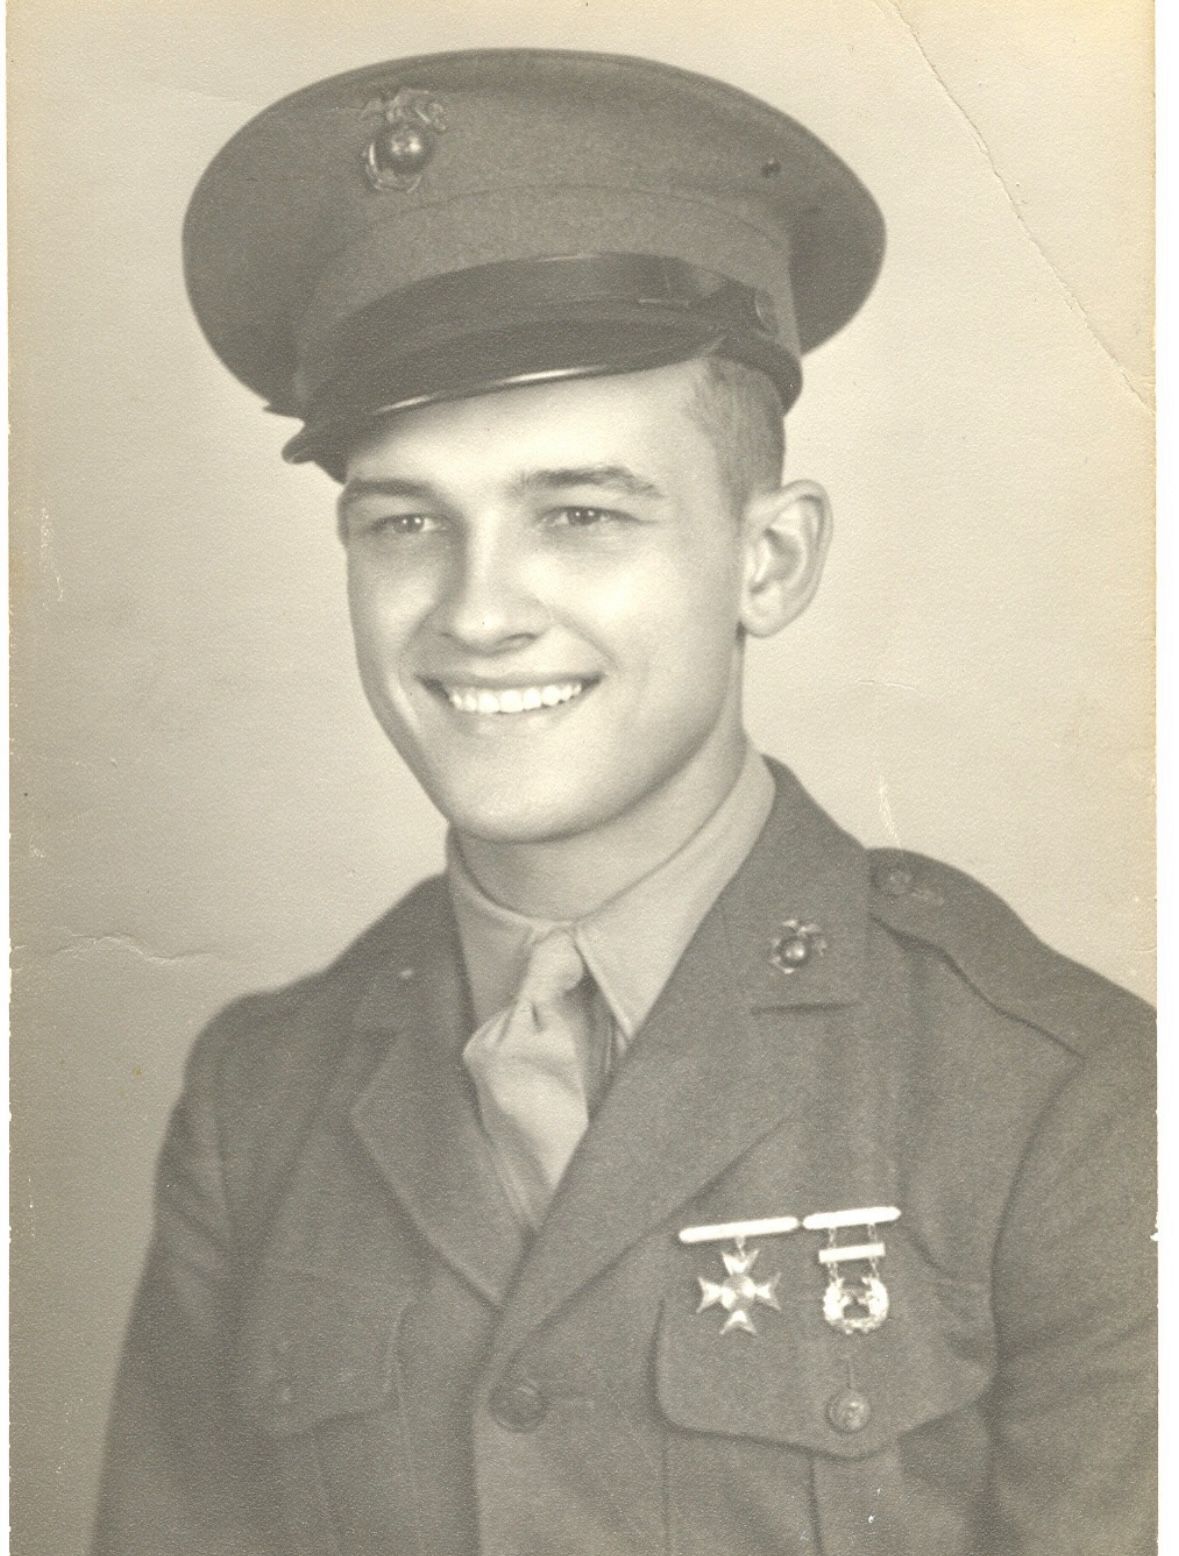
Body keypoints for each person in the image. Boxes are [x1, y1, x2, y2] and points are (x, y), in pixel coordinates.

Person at [92, 48, 1155, 1556]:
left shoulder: (1063, 1102)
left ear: (768, 561)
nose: (478, 612)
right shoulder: (257, 1105)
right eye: (405, 524)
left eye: (580, 514)